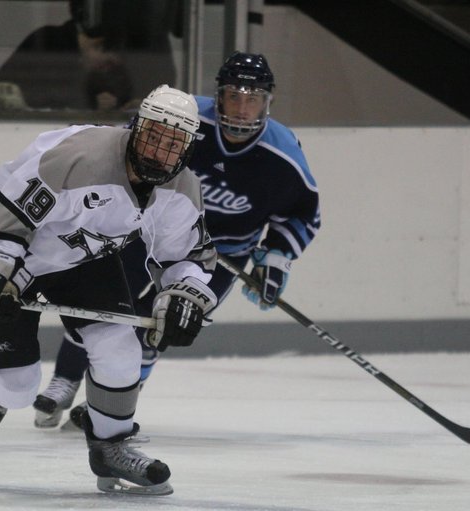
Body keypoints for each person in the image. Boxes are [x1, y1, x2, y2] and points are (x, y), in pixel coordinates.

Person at [0, 84, 217, 495]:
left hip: (83, 257)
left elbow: (185, 256)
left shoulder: (181, 188)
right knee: (16, 391)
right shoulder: (79, 158)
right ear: (136, 128)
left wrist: (185, 294)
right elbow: (10, 220)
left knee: (120, 347)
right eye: (153, 136)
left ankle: (110, 448)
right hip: (15, 258)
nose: (158, 152)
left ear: (186, 149)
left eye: (172, 144)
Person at [34, 52, 321, 430]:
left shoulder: (283, 155)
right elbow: (129, 149)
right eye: (234, 96)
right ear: (218, 95)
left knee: (166, 323)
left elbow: (302, 213)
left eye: (252, 99)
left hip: (219, 257)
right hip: (149, 234)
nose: (241, 107)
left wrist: (278, 257)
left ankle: (110, 405)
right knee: (102, 304)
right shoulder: (184, 120)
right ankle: (65, 380)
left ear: (268, 102)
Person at [0, 0, 175, 112]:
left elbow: (133, 96)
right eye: (108, 51)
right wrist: (88, 104)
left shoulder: (113, 70)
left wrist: (134, 106)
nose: (114, 61)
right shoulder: (45, 43)